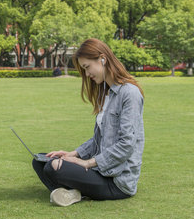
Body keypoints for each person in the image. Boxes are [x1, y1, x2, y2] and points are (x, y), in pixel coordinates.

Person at [32, 38, 145, 206]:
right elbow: (99, 139)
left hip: (117, 181)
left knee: (53, 167)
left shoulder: (130, 93)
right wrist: (73, 154)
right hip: (99, 171)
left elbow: (126, 144)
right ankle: (76, 193)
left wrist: (87, 163)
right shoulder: (104, 94)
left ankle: (76, 192)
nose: (86, 74)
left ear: (102, 59)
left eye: (87, 67)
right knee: (41, 162)